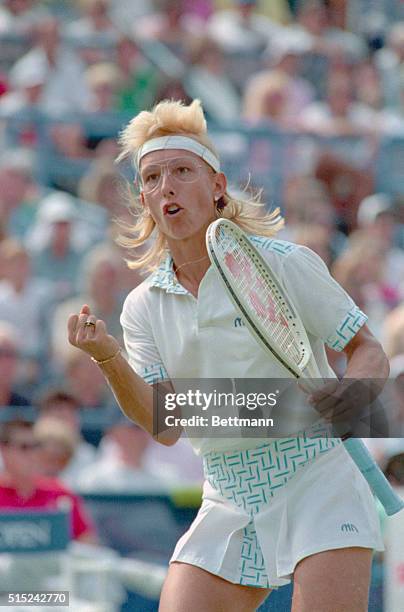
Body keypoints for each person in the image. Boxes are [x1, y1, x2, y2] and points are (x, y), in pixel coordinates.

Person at [68, 99, 388, 611]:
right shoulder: (141, 307)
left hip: (319, 476)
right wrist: (107, 357)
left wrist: (355, 391)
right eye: (152, 178)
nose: (166, 185)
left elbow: (366, 348)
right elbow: (164, 423)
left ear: (217, 186)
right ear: (145, 200)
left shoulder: (287, 264)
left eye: (181, 171)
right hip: (228, 489)